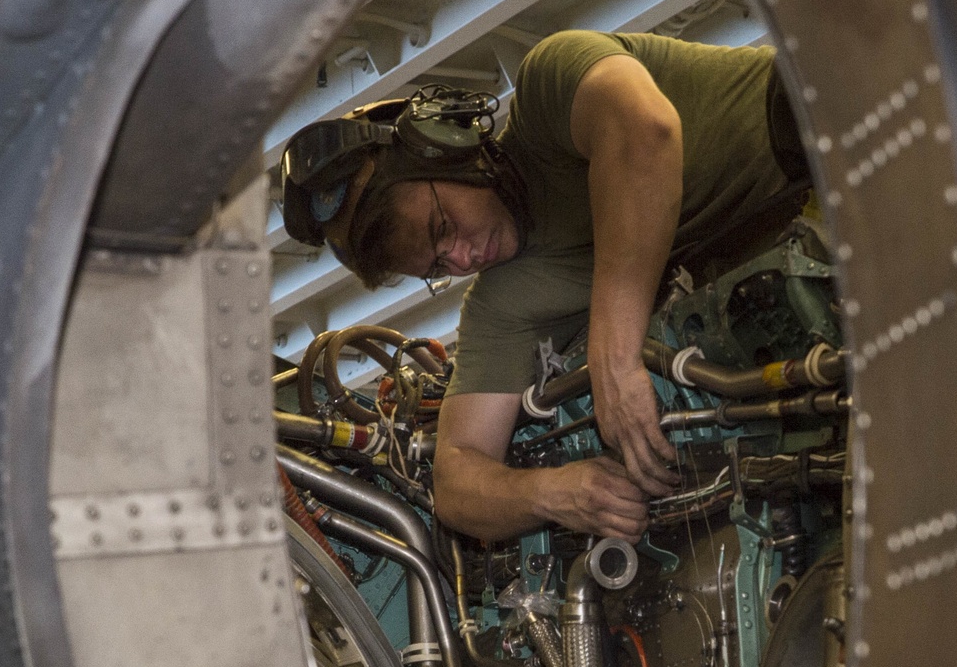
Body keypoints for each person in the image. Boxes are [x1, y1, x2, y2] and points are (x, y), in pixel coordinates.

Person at [281, 30, 808, 543]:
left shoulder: (549, 82)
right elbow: (457, 480)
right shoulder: (503, 303)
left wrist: (615, 358)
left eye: (443, 228)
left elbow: (645, 133)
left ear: (444, 145)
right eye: (438, 266)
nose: (464, 257)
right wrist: (553, 492)